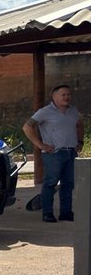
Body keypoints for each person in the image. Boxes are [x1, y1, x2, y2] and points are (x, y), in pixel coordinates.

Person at [22, 84, 85, 222]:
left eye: (68, 94)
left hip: (70, 152)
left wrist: (80, 141)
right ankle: (47, 212)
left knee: (68, 183)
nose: (67, 97)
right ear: (54, 96)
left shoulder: (73, 111)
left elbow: (80, 124)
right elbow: (27, 127)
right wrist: (40, 145)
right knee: (50, 182)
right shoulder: (45, 111)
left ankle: (66, 212)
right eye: (63, 95)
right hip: (54, 153)